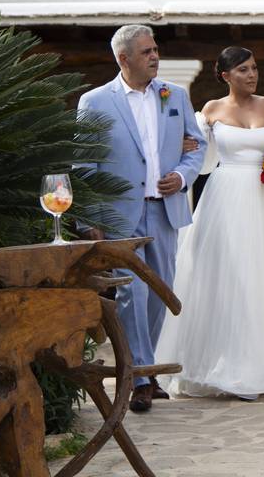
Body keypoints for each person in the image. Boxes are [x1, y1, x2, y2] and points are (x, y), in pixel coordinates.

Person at [155, 46, 264, 400]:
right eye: (243, 70)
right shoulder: (211, 111)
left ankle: (259, 365)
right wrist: (189, 145)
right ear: (225, 76)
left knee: (260, 278)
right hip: (224, 197)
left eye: (254, 68)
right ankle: (218, 365)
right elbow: (203, 165)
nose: (251, 75)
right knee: (224, 277)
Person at [78, 24, 207, 413]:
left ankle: (142, 371)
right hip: (120, 215)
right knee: (132, 293)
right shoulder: (95, 101)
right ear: (124, 59)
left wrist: (183, 176)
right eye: (147, 51)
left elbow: (196, 145)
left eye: (156, 49)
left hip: (165, 212)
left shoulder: (175, 94)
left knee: (160, 291)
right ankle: (142, 378)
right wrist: (88, 220)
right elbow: (84, 164)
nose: (155, 56)